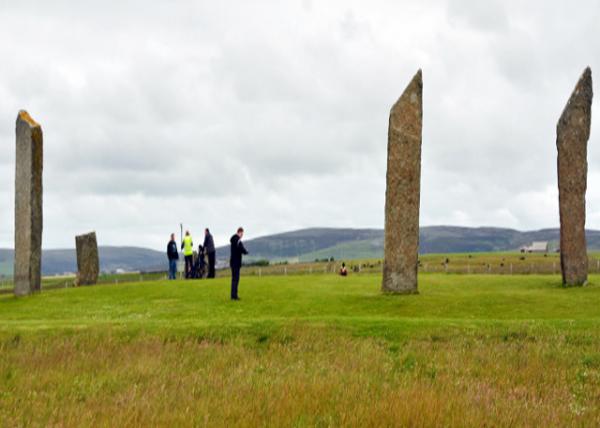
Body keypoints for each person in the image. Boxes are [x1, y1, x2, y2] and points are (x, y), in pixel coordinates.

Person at [229, 227, 248, 300]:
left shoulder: (234, 239)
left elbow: (239, 248)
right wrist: (246, 252)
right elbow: (241, 248)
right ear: (239, 232)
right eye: (242, 234)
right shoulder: (237, 240)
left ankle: (233, 295)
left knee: (234, 279)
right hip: (236, 262)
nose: (242, 236)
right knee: (236, 279)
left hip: (233, 262)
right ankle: (234, 296)